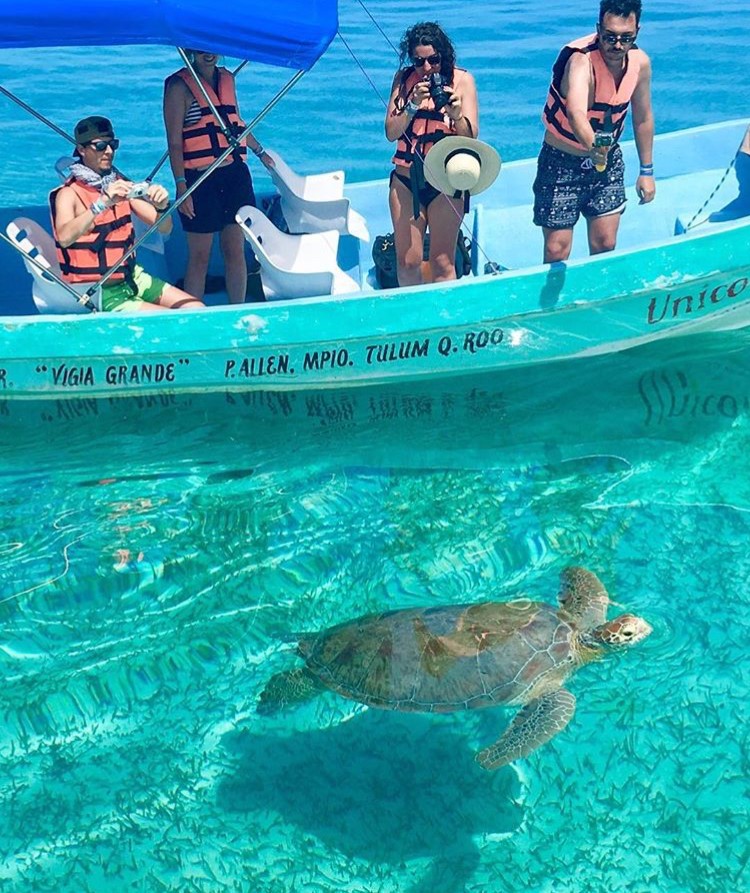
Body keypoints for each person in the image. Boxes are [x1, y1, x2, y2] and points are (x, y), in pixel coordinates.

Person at [533, 0, 655, 263]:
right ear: (598, 28)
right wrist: (594, 148)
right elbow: (576, 113)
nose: (617, 45)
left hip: (607, 162)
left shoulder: (640, 64)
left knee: (605, 243)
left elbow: (643, 117)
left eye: (626, 38)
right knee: (557, 250)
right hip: (561, 162)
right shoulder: (581, 62)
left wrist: (646, 171)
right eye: (610, 37)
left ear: (637, 33)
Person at [50, 116, 204, 312]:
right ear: (82, 150)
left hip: (133, 277)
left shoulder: (119, 185)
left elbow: (165, 229)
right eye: (100, 146)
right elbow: (63, 237)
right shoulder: (68, 194)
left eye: (112, 145)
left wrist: (161, 206)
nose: (109, 151)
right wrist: (102, 203)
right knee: (169, 321)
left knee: (196, 309)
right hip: (100, 291)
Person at [163, 50, 274, 304]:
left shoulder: (227, 79)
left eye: (212, 49)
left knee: (235, 248)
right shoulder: (178, 87)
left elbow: (236, 123)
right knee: (200, 255)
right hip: (200, 180)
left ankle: (238, 308)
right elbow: (174, 142)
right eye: (200, 50)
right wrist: (182, 187)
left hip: (234, 174)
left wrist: (260, 152)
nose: (208, 55)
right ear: (190, 52)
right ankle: (194, 315)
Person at [385, 22, 479, 286]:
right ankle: (412, 318)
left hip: (445, 183)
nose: (426, 68)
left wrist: (457, 116)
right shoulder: (404, 81)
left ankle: (446, 318)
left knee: (442, 261)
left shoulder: (462, 80)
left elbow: (471, 138)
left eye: (433, 61)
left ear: (444, 56)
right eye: (419, 62)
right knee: (407, 261)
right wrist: (412, 105)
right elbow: (391, 132)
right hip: (406, 181)